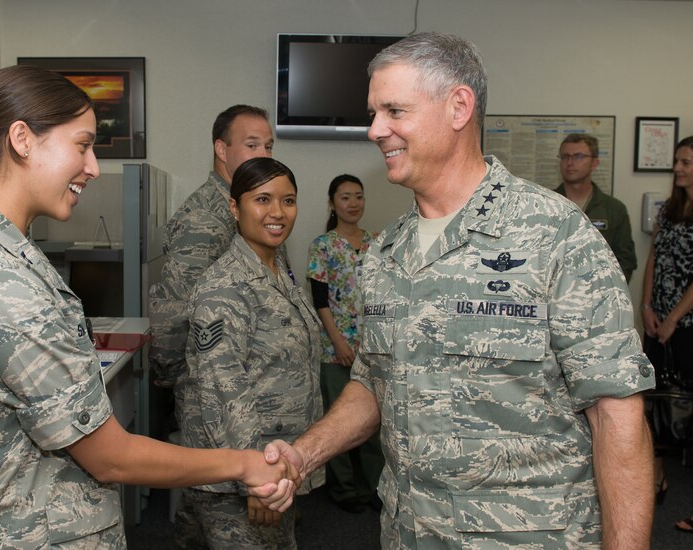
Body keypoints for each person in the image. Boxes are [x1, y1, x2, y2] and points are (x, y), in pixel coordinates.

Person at [261, 32, 656, 548]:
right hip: (408, 533)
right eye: (373, 113)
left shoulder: (554, 234)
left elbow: (616, 415)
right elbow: (374, 382)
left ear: (459, 107)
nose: (375, 130)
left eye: (393, 111)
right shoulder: (384, 254)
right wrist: (304, 453)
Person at [0, 65, 298, 549]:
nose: (94, 166)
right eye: (82, 145)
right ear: (22, 139)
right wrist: (245, 463)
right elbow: (110, 457)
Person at [176, 157, 324, 549]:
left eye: (288, 200)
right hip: (242, 477)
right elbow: (224, 390)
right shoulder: (225, 286)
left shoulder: (278, 272)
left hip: (277, 467)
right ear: (234, 207)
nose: (278, 212)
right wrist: (257, 476)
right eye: (262, 199)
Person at [148, 104, 275, 393]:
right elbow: (174, 312)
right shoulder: (205, 220)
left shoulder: (250, 208)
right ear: (221, 149)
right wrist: (177, 381)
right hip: (211, 388)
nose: (265, 156)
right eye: (252, 145)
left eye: (268, 146)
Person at [306, 174, 384, 513]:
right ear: (332, 203)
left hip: (372, 348)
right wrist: (338, 342)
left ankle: (372, 487)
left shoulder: (378, 242)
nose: (353, 204)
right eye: (345, 197)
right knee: (338, 421)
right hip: (334, 347)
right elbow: (320, 300)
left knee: (371, 422)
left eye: (358, 197)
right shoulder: (322, 245)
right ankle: (344, 491)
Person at [641, 135, 693, 508]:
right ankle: (656, 479)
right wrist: (645, 306)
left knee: (687, 406)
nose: (677, 168)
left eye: (686, 163)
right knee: (652, 405)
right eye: (676, 161)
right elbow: (653, 259)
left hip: (687, 326)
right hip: (657, 322)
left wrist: (675, 317)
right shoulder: (669, 209)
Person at [555, 133, 637, 281]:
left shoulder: (614, 209)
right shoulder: (546, 204)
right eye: (565, 157)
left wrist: (608, 294)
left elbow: (625, 261)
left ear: (594, 163)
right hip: (554, 296)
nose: (570, 162)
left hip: (600, 294)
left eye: (578, 156)